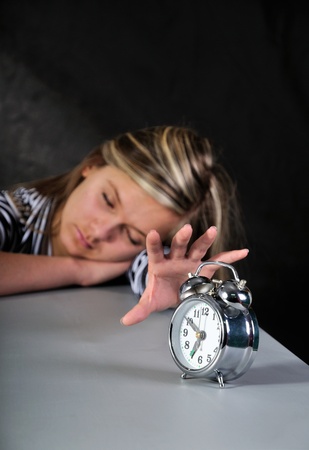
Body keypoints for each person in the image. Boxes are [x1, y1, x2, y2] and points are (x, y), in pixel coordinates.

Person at [0, 125, 248, 325]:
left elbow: (158, 271)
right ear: (92, 165)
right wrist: (78, 270)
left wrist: (184, 290)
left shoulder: (138, 257)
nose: (99, 232)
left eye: (131, 236)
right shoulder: (15, 211)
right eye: (107, 200)